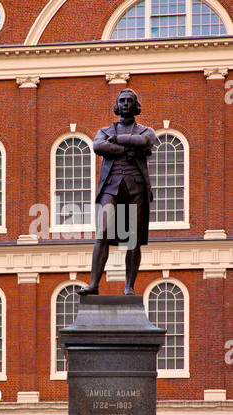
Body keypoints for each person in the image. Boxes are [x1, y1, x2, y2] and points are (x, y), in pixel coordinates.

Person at [78, 88, 156, 296]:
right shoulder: (105, 131)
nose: (125, 104)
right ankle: (94, 284)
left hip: (136, 186)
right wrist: (125, 149)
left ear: (136, 106)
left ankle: (129, 286)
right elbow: (97, 146)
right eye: (122, 101)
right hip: (111, 186)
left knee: (133, 238)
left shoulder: (145, 130)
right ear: (117, 105)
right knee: (102, 232)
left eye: (130, 101)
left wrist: (116, 142)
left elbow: (144, 142)